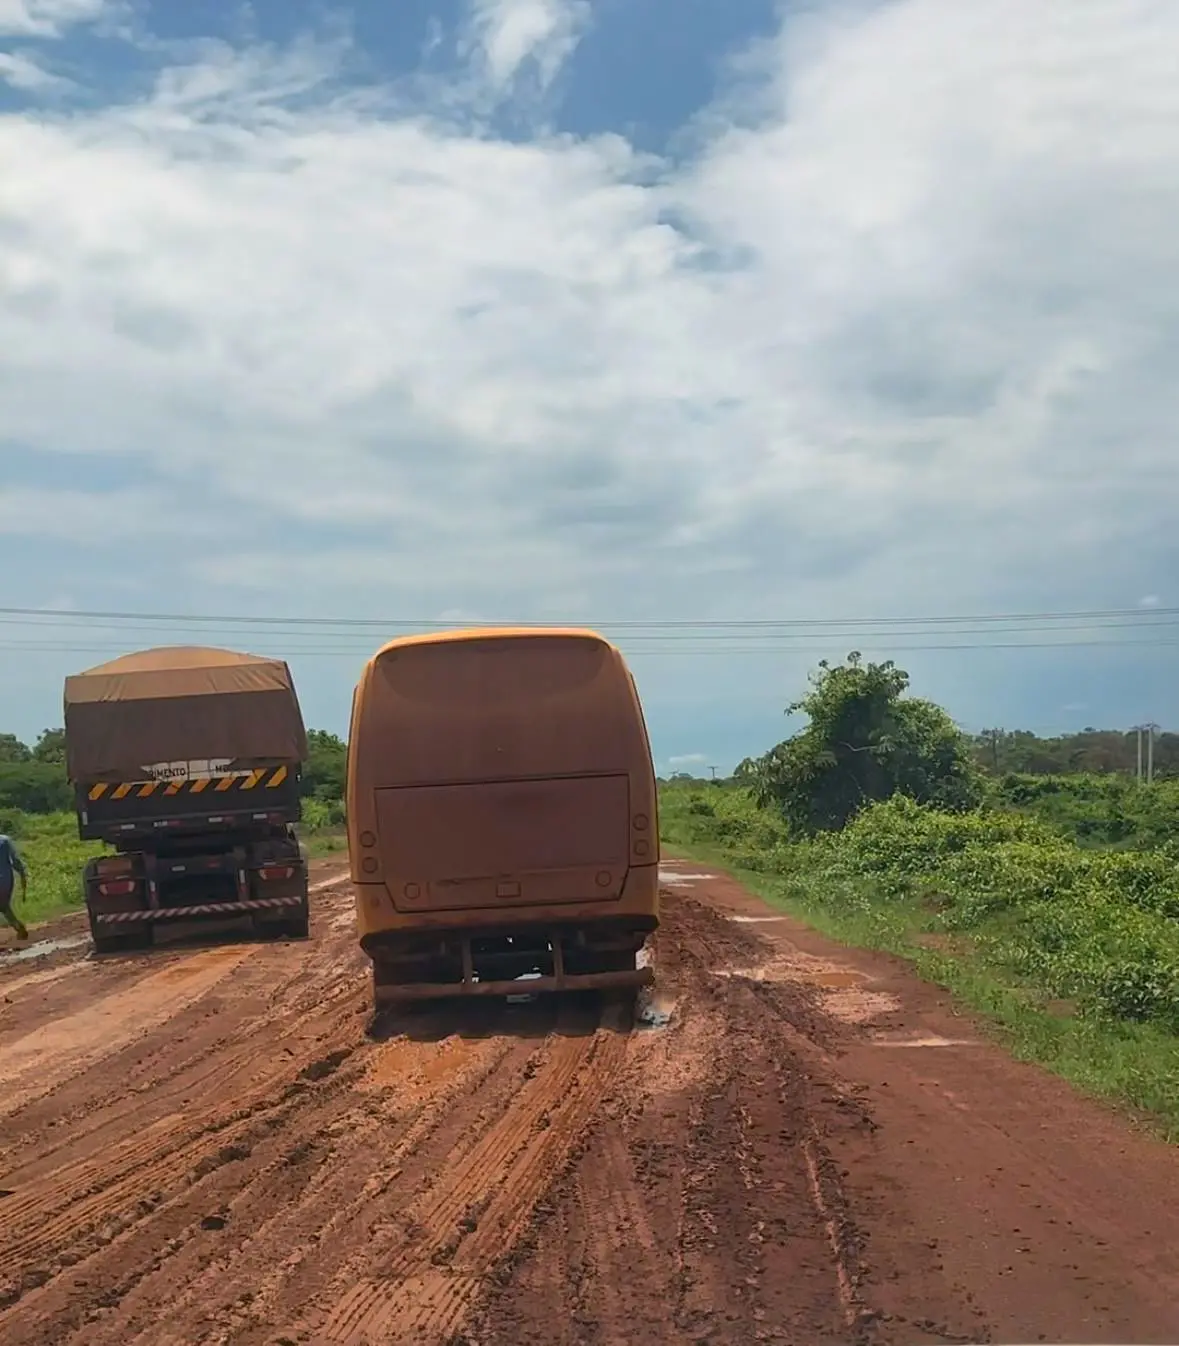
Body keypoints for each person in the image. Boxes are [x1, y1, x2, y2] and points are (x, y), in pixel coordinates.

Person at [0, 832, 29, 941]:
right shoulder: (5, 840)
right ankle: (18, 927)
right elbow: (15, 861)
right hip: (6, 880)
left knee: (3, 907)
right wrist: (22, 874)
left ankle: (18, 927)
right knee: (3, 907)